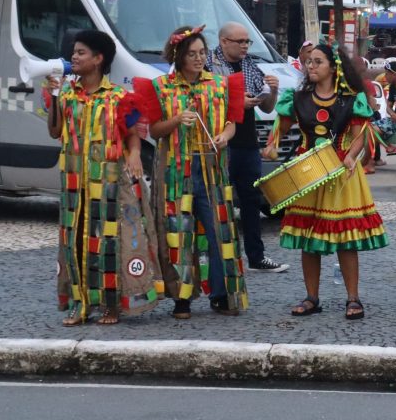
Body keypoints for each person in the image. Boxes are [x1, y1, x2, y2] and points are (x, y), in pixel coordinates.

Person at [264, 44, 388, 320]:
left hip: (342, 176)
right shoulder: (297, 98)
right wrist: (273, 145)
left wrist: (351, 157)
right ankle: (312, 298)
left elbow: (359, 136)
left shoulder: (351, 98)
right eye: (308, 62)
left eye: (318, 62)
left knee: (346, 240)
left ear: (333, 68)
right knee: (309, 239)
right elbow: (281, 128)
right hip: (308, 174)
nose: (311, 66)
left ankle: (353, 298)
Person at [48, 30, 160, 326]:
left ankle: (112, 305)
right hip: (74, 182)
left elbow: (134, 134)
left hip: (110, 180)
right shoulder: (68, 94)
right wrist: (56, 95)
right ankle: (78, 303)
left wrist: (134, 154)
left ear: (98, 59)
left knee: (111, 240)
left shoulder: (119, 97)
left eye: (81, 52)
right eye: (74, 52)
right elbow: (55, 131)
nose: (74, 57)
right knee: (74, 241)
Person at [143, 26, 247, 319]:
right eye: (192, 54)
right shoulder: (161, 87)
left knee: (219, 231)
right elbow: (154, 130)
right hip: (176, 170)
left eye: (202, 52)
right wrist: (176, 119)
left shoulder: (220, 85)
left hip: (212, 170)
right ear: (178, 56)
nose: (199, 58)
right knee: (179, 232)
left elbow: (231, 122)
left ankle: (221, 293)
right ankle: (181, 298)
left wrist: (225, 136)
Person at [206, 22, 288, 272]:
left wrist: (272, 91)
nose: (244, 46)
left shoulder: (249, 64)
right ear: (223, 41)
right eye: (239, 42)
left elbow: (266, 107)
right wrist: (233, 102)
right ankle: (215, 256)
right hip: (219, 141)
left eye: (247, 42)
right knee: (216, 200)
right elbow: (204, 101)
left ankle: (256, 256)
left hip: (247, 141)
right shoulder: (208, 64)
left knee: (251, 200)